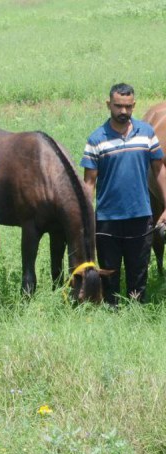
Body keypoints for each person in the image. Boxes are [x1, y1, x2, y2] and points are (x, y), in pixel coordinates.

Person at [81, 83, 166, 305]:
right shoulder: (96, 139)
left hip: (140, 216)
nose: (123, 112)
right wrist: (86, 217)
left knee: (138, 275)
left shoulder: (147, 134)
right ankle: (112, 313)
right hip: (108, 220)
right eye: (118, 106)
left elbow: (159, 170)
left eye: (128, 107)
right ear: (109, 104)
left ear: (134, 105)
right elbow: (89, 183)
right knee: (110, 275)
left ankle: (136, 314)